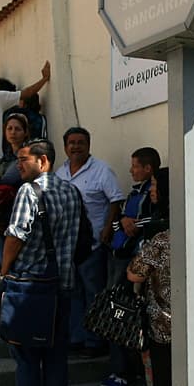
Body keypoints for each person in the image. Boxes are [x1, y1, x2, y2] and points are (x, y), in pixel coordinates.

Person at [0, 138, 85, 386]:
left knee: (26, 362)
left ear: (44, 161)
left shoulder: (29, 191)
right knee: (56, 363)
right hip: (62, 287)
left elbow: (16, 235)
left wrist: (4, 269)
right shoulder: (71, 192)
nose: (19, 164)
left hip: (30, 288)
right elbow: (79, 238)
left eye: (25, 159)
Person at [56, 127, 124, 358]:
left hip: (93, 244)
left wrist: (107, 229)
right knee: (73, 293)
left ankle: (95, 342)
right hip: (68, 246)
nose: (76, 146)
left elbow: (116, 200)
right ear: (65, 146)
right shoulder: (60, 173)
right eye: (72, 142)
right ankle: (77, 337)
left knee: (94, 294)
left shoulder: (101, 170)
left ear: (89, 145)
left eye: (81, 142)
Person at [125, 167, 173, 386]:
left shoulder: (159, 237)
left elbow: (134, 273)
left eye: (155, 184)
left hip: (162, 329)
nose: (151, 189)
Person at [102, 147, 161, 386]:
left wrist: (133, 223)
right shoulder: (132, 193)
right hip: (118, 259)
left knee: (124, 315)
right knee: (114, 314)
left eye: (135, 166)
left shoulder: (155, 195)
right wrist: (124, 222)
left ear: (148, 169)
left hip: (136, 265)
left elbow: (155, 222)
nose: (131, 170)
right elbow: (118, 222)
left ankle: (126, 371)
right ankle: (122, 367)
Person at [0, 113, 31, 262]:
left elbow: (6, 180)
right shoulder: (5, 156)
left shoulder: (27, 155)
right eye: (10, 128)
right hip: (2, 210)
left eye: (18, 129)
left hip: (19, 211)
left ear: (25, 132)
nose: (13, 132)